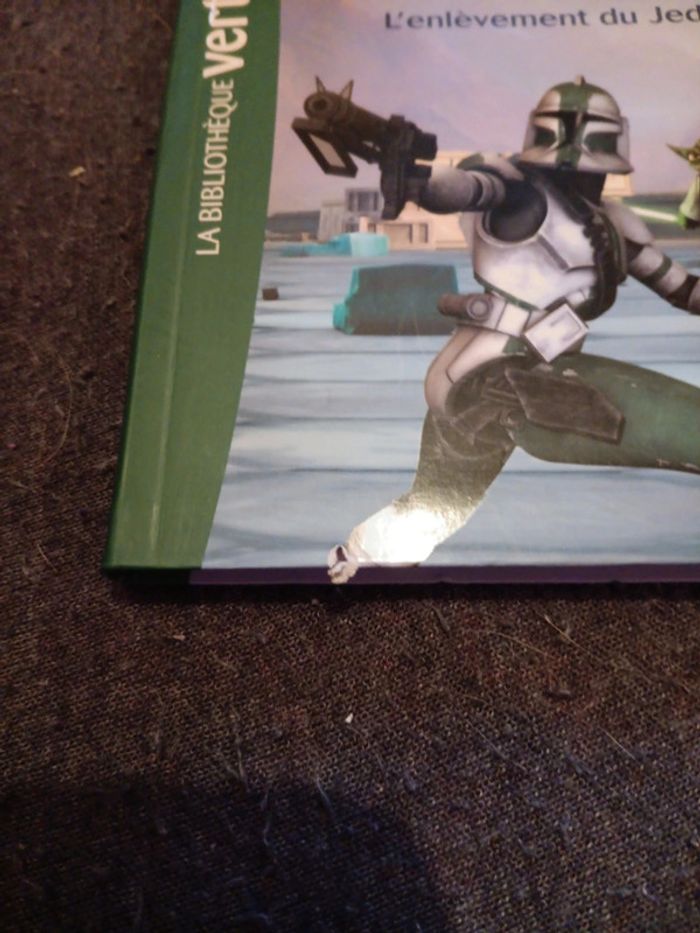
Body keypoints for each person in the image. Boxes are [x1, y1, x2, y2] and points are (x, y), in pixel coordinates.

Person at [324, 77, 700, 582]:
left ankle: (352, 556)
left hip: (508, 380)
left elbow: (683, 290)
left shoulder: (612, 222)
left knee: (431, 508)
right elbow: (463, 188)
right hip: (495, 381)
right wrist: (414, 176)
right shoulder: (517, 189)